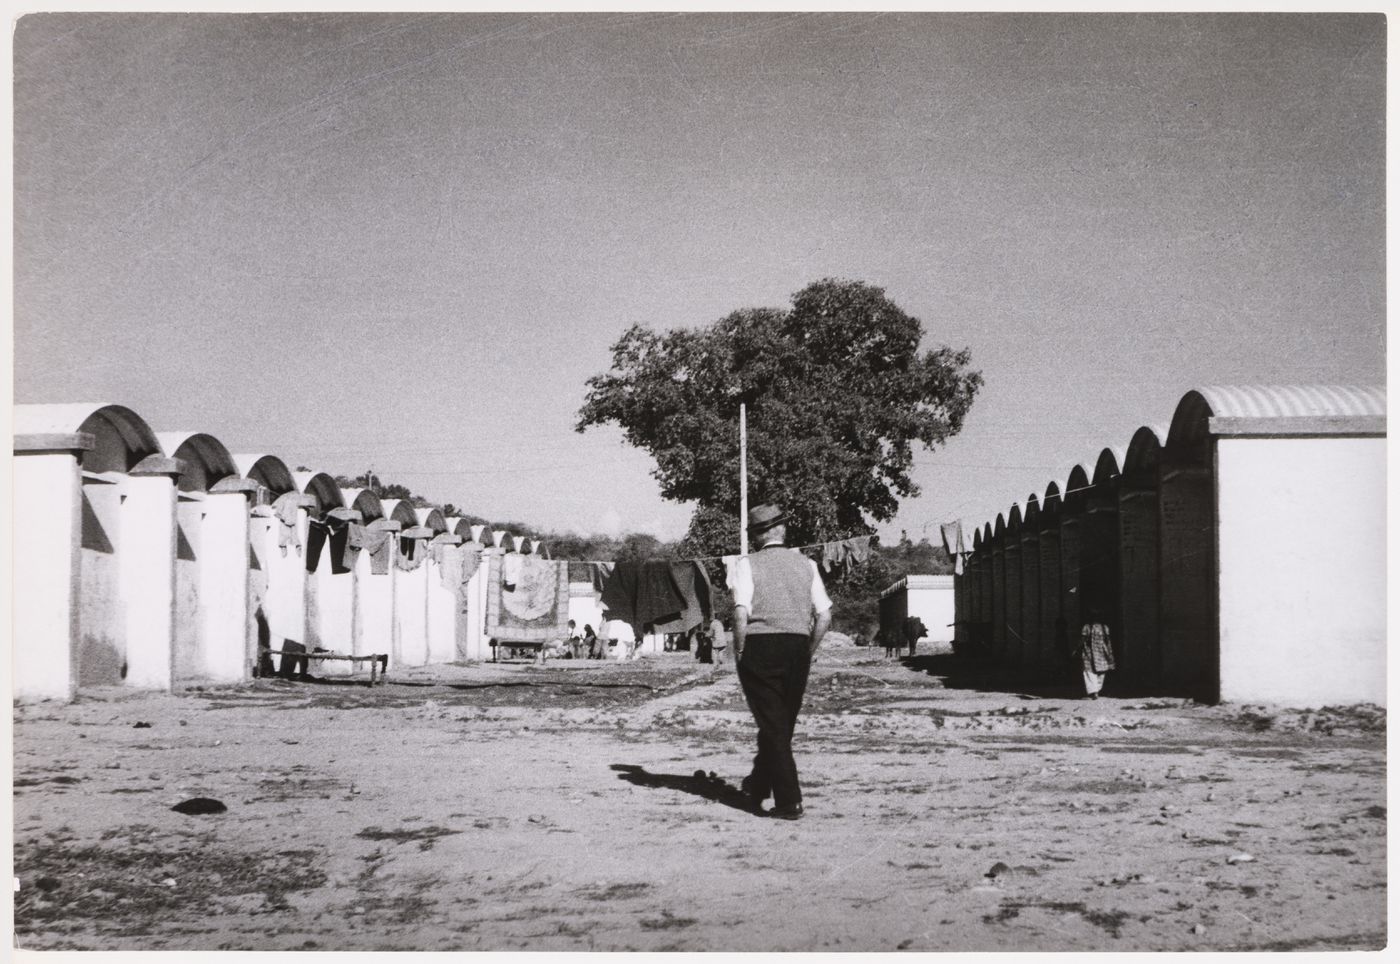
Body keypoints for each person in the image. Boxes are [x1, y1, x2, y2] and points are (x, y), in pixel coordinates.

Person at [732, 503, 832, 821]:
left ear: (759, 536)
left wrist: (739, 649)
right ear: (783, 530)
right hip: (797, 646)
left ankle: (789, 801)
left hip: (760, 645)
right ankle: (759, 784)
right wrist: (808, 650)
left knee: (774, 725)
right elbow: (825, 616)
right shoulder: (808, 564)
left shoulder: (746, 564)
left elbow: (739, 612)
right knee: (780, 723)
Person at [1075, 608, 1115, 699]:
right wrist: (1109, 652)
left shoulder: (1087, 627)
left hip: (1089, 652)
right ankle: (1097, 690)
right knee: (1101, 670)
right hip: (1102, 652)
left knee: (1089, 671)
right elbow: (1108, 640)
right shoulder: (1105, 627)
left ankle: (1094, 691)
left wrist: (1076, 649)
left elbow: (1083, 639)